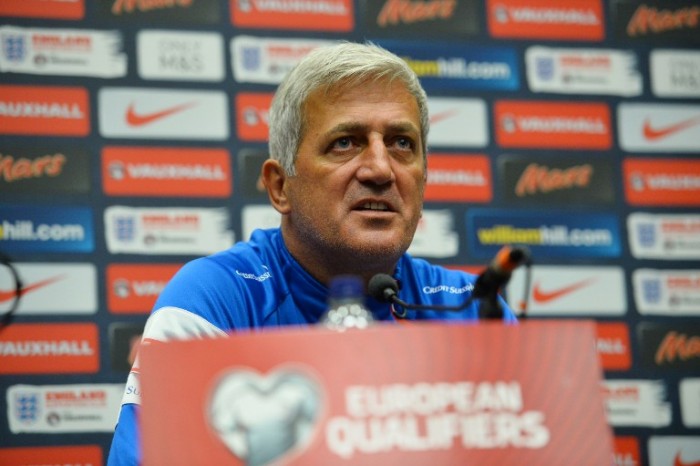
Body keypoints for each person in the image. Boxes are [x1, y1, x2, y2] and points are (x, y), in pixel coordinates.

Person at [107, 41, 516, 465]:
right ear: (281, 186)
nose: (380, 168)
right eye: (345, 143)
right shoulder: (213, 302)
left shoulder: (472, 310)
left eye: (401, 143)